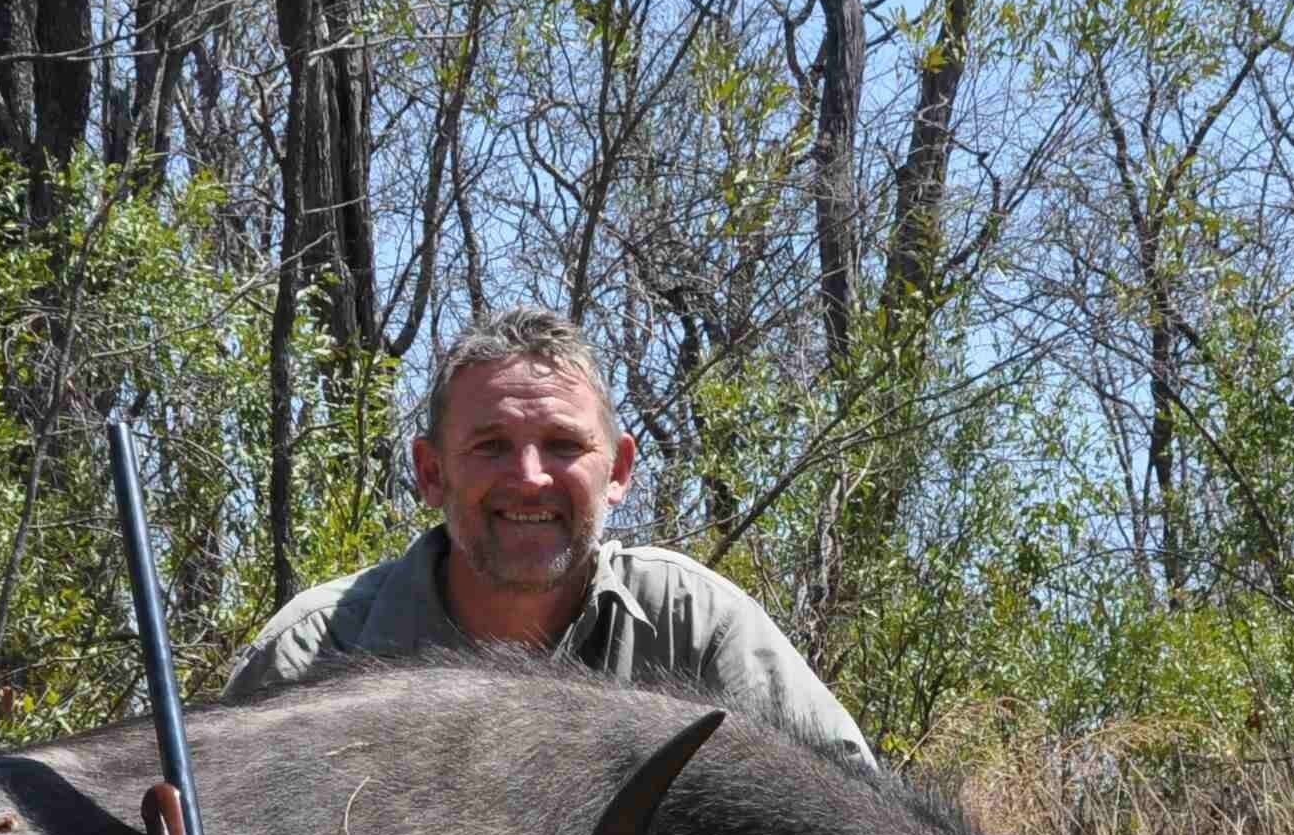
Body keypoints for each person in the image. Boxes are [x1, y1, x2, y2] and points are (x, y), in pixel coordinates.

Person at [225, 307, 879, 770]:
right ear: (431, 472)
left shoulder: (698, 627)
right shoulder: (317, 651)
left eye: (564, 446)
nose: (531, 478)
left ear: (619, 470)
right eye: (491, 447)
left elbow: (856, 816)